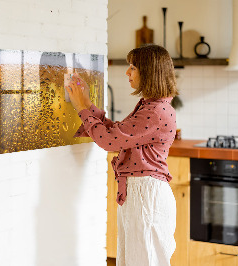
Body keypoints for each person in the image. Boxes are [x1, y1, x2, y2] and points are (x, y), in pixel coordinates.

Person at [66, 44, 178, 266]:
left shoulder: (155, 111)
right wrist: (87, 103)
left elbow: (109, 141)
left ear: (149, 72)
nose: (127, 72)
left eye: (133, 67)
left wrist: (81, 108)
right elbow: (117, 133)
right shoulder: (151, 106)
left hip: (146, 195)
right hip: (141, 193)